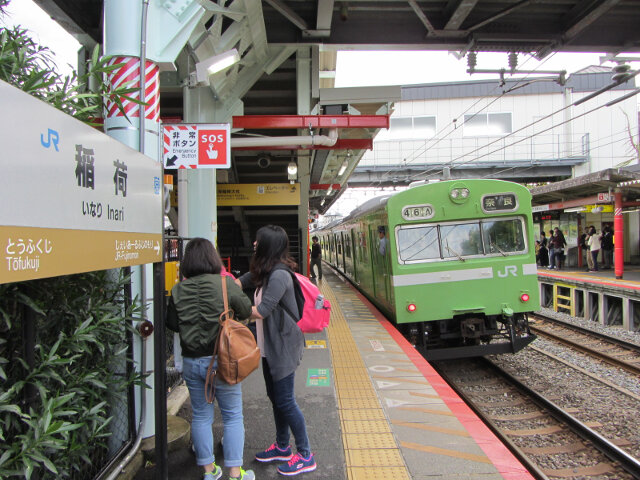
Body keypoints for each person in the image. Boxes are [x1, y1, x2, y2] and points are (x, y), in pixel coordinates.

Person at [166, 238, 255, 480]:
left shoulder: (177, 290)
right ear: (212, 258)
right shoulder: (225, 284)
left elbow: (171, 323)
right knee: (233, 416)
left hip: (193, 364)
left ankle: (209, 471)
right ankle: (235, 474)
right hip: (224, 361)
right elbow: (246, 310)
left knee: (202, 416)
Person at [238, 225, 317, 476]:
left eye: (258, 241)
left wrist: (232, 311)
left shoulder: (279, 276)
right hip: (269, 346)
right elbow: (244, 281)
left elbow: (261, 311)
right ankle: (283, 447)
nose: (254, 244)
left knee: (285, 400)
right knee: (275, 399)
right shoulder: (265, 271)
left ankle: (306, 454)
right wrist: (229, 284)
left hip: (283, 345)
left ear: (267, 246)